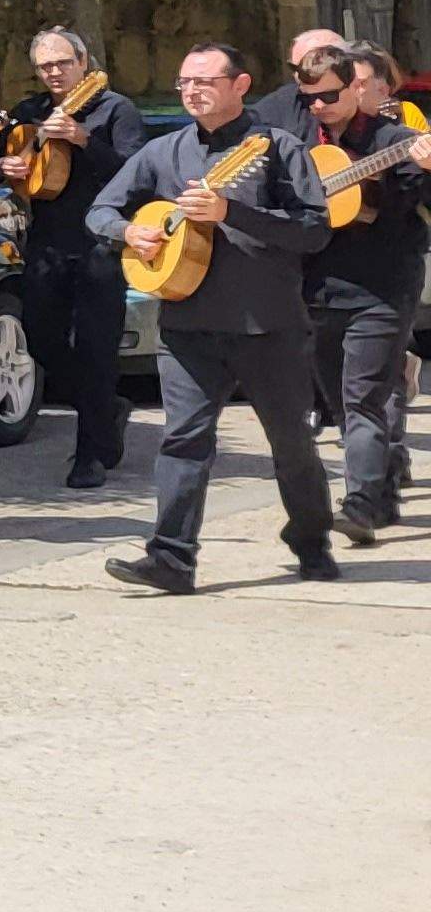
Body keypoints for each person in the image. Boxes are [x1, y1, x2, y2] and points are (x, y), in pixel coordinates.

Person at [91, 44, 342, 594]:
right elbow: (101, 209)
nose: (191, 92)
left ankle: (311, 538)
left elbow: (313, 231)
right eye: (184, 82)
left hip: (268, 325)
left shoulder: (278, 149)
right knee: (182, 439)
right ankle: (171, 559)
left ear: (240, 83)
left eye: (204, 81)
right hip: (187, 325)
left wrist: (235, 213)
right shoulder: (162, 152)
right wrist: (128, 232)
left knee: (290, 444)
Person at [0, 28, 149, 488]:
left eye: (62, 63)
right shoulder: (30, 112)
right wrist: (5, 166)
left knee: (95, 348)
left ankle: (89, 457)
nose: (55, 72)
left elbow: (137, 170)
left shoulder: (115, 109)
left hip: (100, 245)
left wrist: (84, 139)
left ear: (83, 61)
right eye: (46, 66)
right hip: (47, 245)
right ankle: (107, 410)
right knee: (41, 342)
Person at [297, 46, 431, 540]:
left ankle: (359, 506)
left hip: (382, 287)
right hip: (319, 289)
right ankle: (385, 484)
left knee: (363, 400)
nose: (318, 106)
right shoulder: (302, 142)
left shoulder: (399, 140)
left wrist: (428, 168)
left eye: (328, 95)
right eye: (309, 97)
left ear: (356, 87)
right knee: (338, 402)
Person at [249, 26, 353, 138]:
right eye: (295, 68)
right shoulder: (284, 101)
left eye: (317, 67)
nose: (299, 75)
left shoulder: (371, 112)